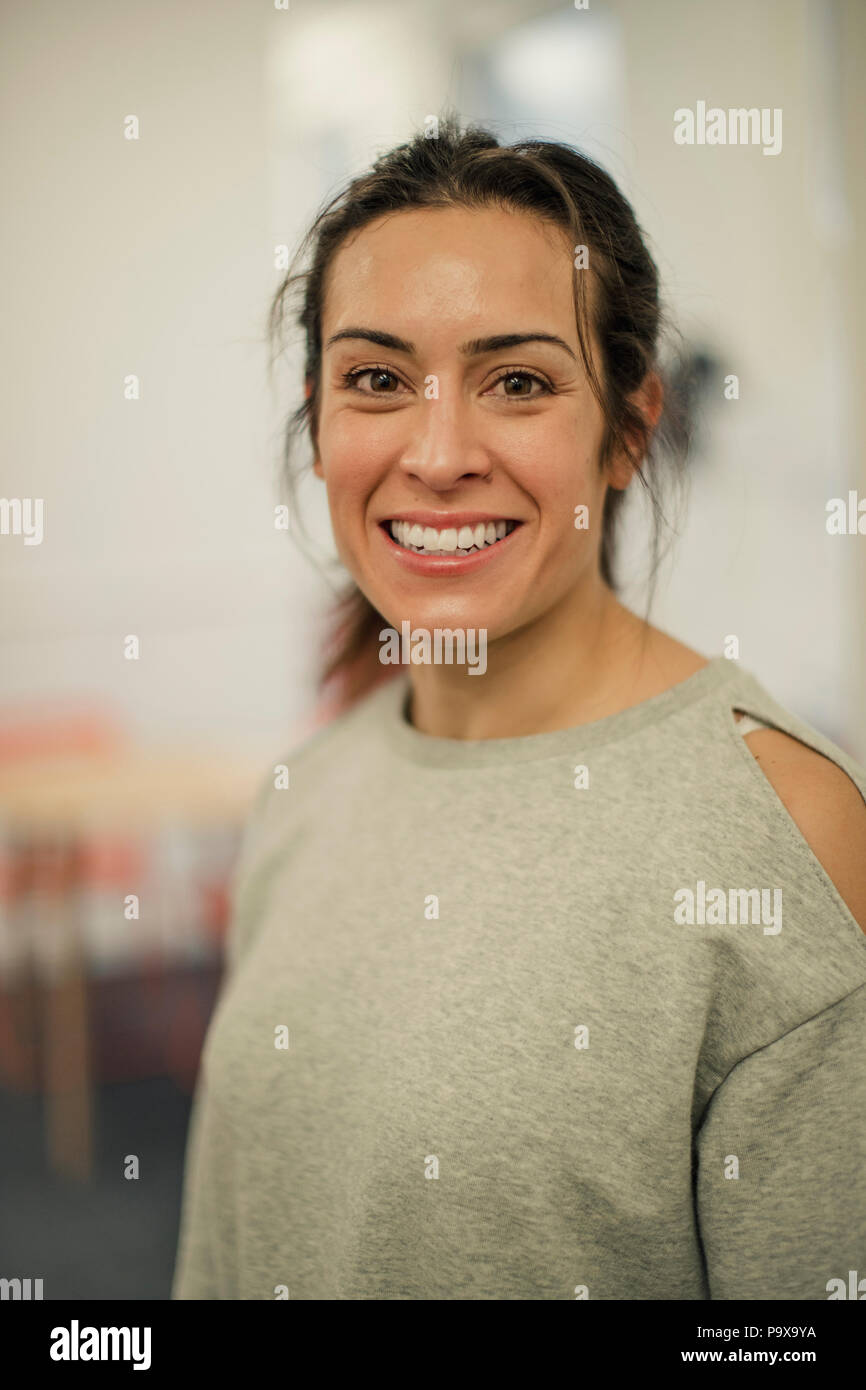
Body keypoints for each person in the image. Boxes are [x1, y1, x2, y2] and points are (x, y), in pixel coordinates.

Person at [172, 116, 866, 1300]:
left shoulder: (787, 827)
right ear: (319, 418)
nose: (437, 453)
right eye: (377, 379)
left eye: (518, 381)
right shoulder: (305, 794)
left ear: (627, 431)